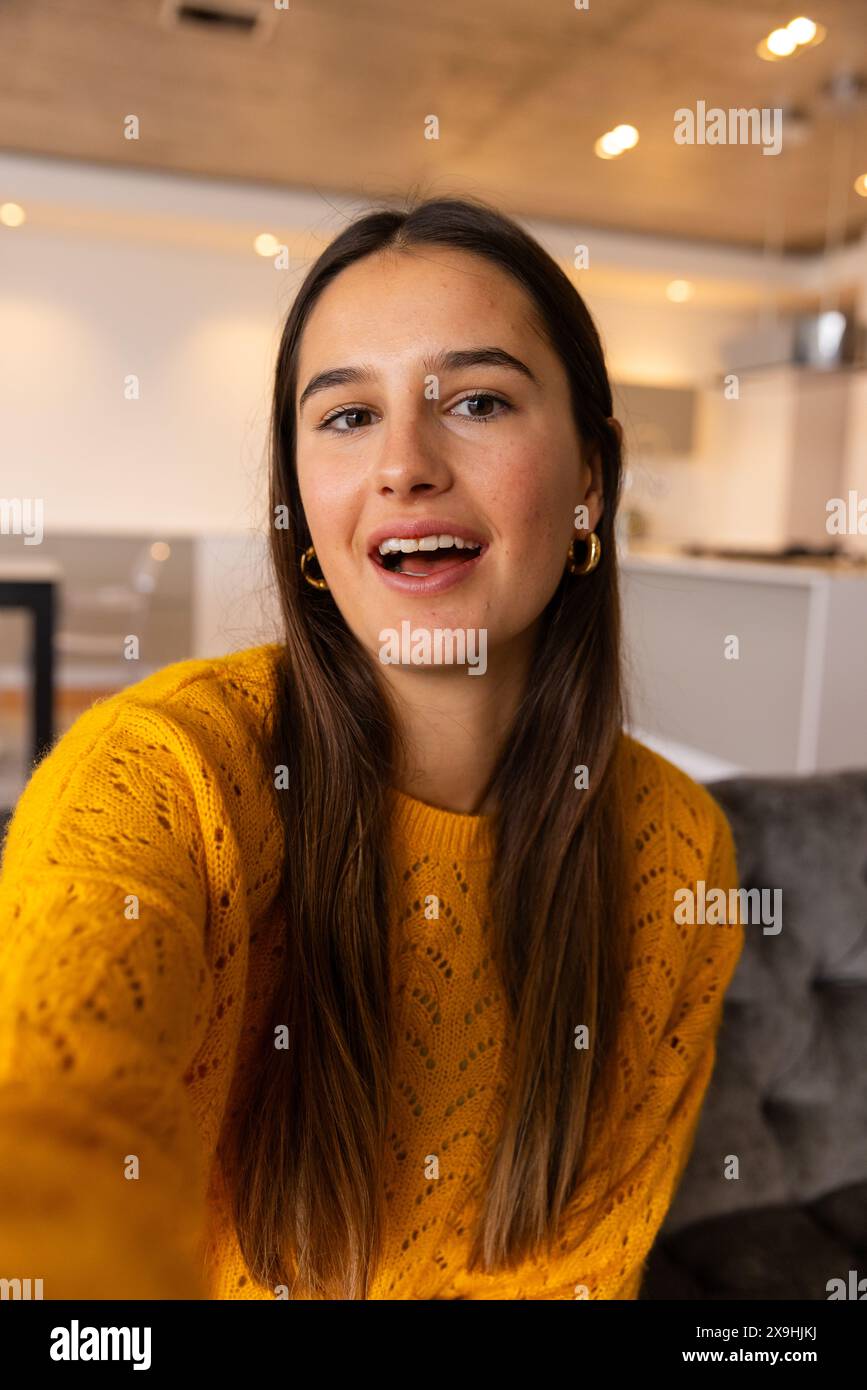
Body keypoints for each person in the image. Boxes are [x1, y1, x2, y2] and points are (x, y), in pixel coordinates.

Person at [0, 194, 743, 1300]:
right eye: (347, 416)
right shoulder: (161, 779)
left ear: (592, 478)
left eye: (478, 400)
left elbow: (579, 1279)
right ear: (301, 503)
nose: (405, 464)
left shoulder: (678, 852)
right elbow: (52, 1156)